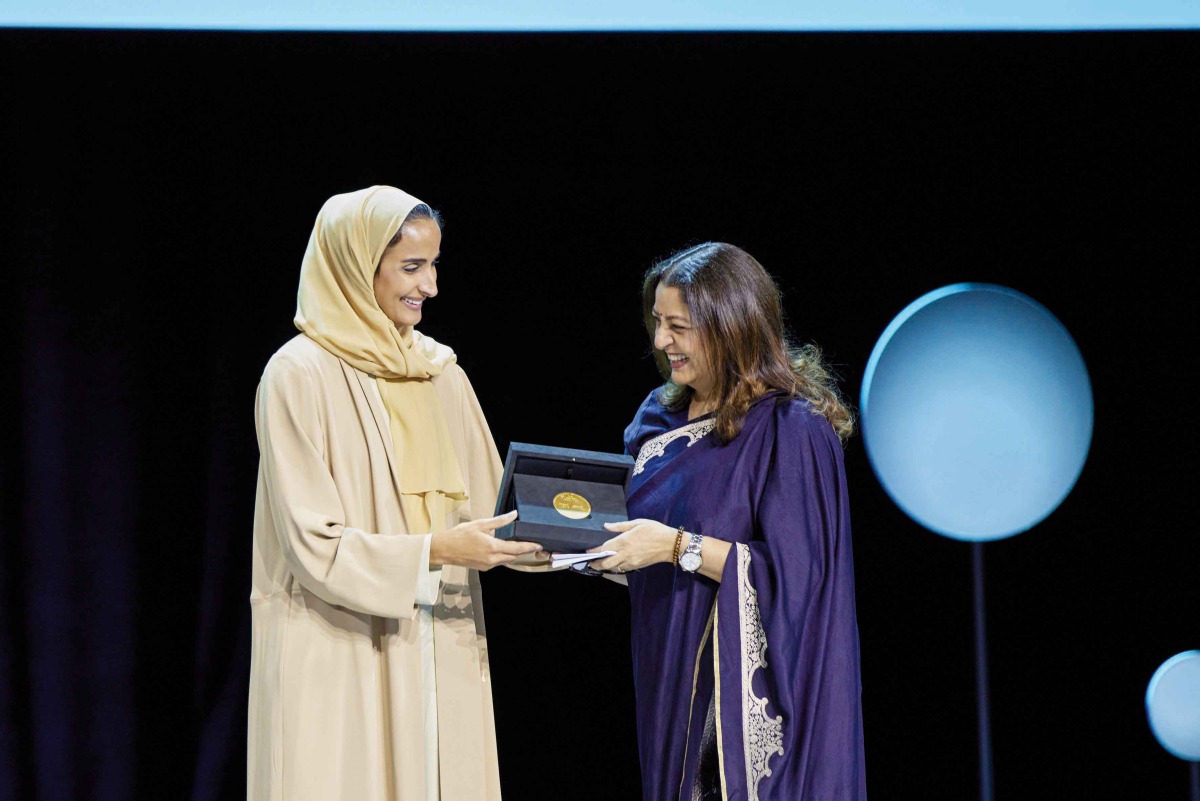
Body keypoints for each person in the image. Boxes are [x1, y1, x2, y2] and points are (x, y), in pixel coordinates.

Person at [247, 185, 544, 801]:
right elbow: (313, 543)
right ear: (357, 268)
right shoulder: (297, 375)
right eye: (411, 267)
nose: (430, 286)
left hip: (443, 644)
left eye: (433, 265)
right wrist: (437, 550)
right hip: (338, 645)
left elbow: (501, 514)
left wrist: (593, 534)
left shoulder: (441, 373)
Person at [588, 242, 867, 800]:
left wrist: (676, 548)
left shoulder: (791, 430)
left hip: (748, 704)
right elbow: (635, 540)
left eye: (679, 326)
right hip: (668, 679)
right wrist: (571, 547)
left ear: (730, 327)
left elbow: (802, 583)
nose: (661, 341)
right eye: (658, 323)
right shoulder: (657, 420)